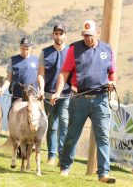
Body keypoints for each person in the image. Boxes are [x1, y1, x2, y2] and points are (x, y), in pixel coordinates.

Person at [50, 20, 117, 184]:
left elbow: (112, 73)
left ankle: (103, 174)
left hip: (101, 100)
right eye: (85, 36)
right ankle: (65, 167)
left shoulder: (107, 50)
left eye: (91, 35)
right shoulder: (74, 49)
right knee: (72, 135)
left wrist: (112, 84)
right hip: (79, 99)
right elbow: (64, 73)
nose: (88, 39)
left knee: (103, 136)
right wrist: (58, 92)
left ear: (98, 33)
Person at [37, 23, 70, 165]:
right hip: (48, 95)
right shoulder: (45, 52)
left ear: (65, 35)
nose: (58, 36)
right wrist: (41, 88)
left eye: (61, 33)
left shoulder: (71, 52)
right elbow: (40, 74)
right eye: (56, 33)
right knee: (52, 126)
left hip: (66, 95)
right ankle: (51, 156)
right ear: (53, 35)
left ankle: (62, 156)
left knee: (64, 123)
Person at [0, 37, 38, 105]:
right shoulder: (13, 60)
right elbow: (8, 78)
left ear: (31, 48)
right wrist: (3, 88)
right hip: (18, 97)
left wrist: (42, 90)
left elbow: (40, 77)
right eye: (23, 49)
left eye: (27, 49)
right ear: (20, 47)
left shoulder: (36, 60)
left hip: (33, 97)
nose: (25, 51)